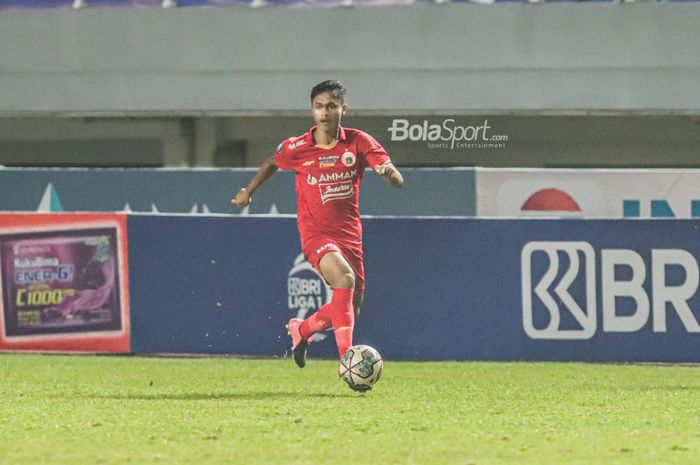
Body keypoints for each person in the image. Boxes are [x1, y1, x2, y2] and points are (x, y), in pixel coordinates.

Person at [231, 80, 403, 368]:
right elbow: (273, 161)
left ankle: (304, 329)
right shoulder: (298, 147)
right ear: (312, 110)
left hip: (349, 235)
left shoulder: (359, 142)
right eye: (319, 107)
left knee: (351, 307)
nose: (325, 112)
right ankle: (347, 361)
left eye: (331, 106)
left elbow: (396, 179)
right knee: (344, 280)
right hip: (316, 234)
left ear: (343, 109)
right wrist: (249, 191)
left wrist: (389, 173)